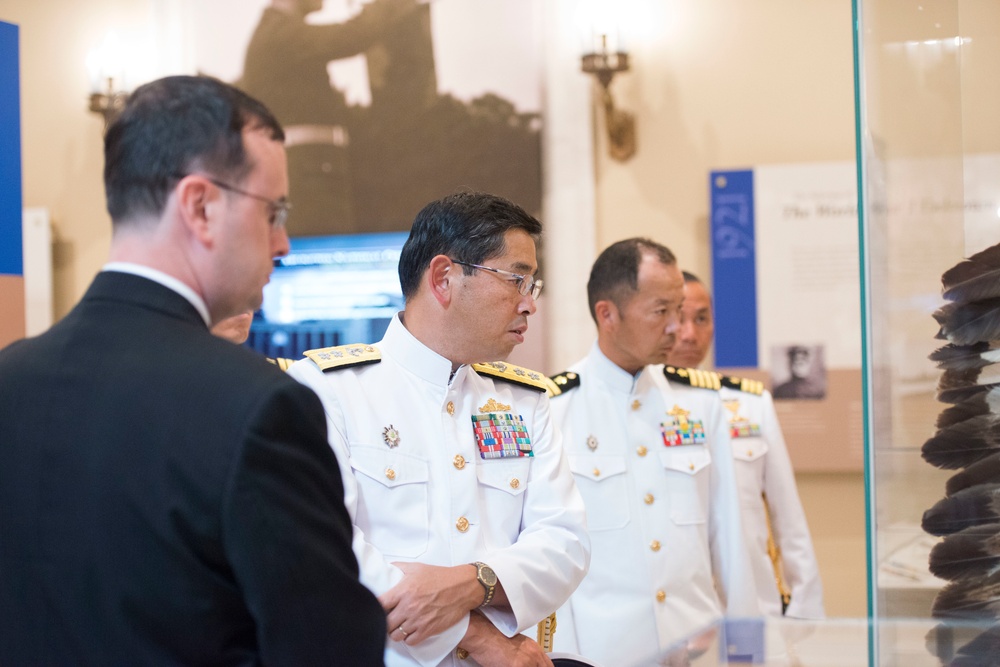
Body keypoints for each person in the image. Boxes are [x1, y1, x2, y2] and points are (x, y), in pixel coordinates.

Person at [0, 75, 385, 665]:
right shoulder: (258, 405)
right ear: (200, 206)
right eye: (274, 211)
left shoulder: (11, 379)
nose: (283, 242)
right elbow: (330, 649)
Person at [288, 191, 590, 667]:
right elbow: (326, 551)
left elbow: (565, 542)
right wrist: (476, 636)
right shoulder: (328, 389)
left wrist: (473, 583)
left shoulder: (523, 400)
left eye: (533, 285)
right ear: (444, 278)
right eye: (516, 280)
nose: (529, 304)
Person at [547, 238, 757, 667]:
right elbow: (550, 555)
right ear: (607, 314)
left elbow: (731, 538)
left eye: (679, 309)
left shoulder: (700, 403)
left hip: (694, 648)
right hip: (601, 654)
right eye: (662, 311)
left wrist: (747, 654)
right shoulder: (553, 410)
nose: (677, 327)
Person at [668, 272, 825, 618]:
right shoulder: (641, 409)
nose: (690, 334)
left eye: (702, 319)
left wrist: (803, 611)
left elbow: (789, 517)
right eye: (679, 318)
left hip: (753, 609)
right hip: (679, 616)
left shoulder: (750, 404)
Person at [240, 0, 417, 236]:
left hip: (312, 173)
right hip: (310, 177)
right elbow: (354, 34)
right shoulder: (279, 35)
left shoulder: (277, 33)